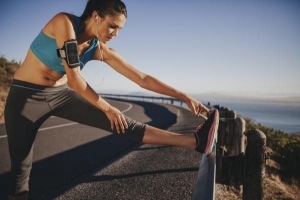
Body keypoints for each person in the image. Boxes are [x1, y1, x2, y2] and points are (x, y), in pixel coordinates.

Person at [4, 0, 219, 199]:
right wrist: (108, 107)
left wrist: (183, 96)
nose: (116, 33)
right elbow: (75, 79)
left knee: (124, 123)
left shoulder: (98, 48)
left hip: (59, 95)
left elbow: (143, 79)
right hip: (24, 98)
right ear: (96, 16)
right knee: (21, 170)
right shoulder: (64, 22)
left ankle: (195, 142)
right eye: (112, 26)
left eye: (120, 29)